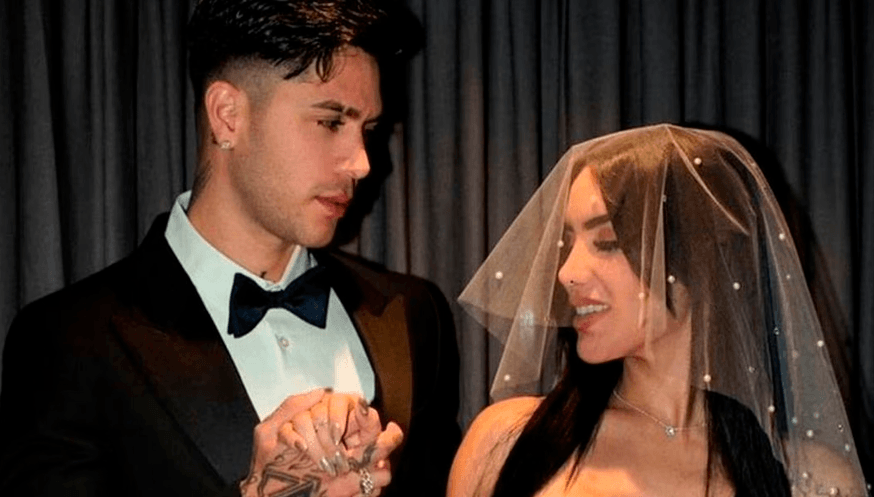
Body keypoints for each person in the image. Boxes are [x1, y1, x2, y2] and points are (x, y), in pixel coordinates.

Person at [0, 1, 460, 496]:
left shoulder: (411, 313)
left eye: (367, 130)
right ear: (227, 115)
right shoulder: (70, 340)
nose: (361, 163)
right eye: (330, 122)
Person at [448, 124, 869, 496]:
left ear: (698, 260)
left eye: (607, 242)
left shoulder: (809, 478)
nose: (567, 272)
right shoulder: (505, 441)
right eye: (568, 242)